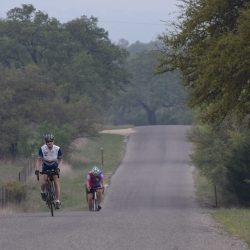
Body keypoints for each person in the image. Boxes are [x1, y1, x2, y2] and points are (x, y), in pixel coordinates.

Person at [35, 134, 63, 209]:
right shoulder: (42, 149)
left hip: (54, 166)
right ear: (46, 142)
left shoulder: (57, 148)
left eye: (51, 141)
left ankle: (57, 201)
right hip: (46, 166)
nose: (49, 143)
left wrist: (59, 168)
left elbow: (61, 160)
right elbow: (38, 160)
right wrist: (37, 169)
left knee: (56, 183)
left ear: (53, 141)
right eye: (47, 142)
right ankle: (42, 191)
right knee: (44, 181)